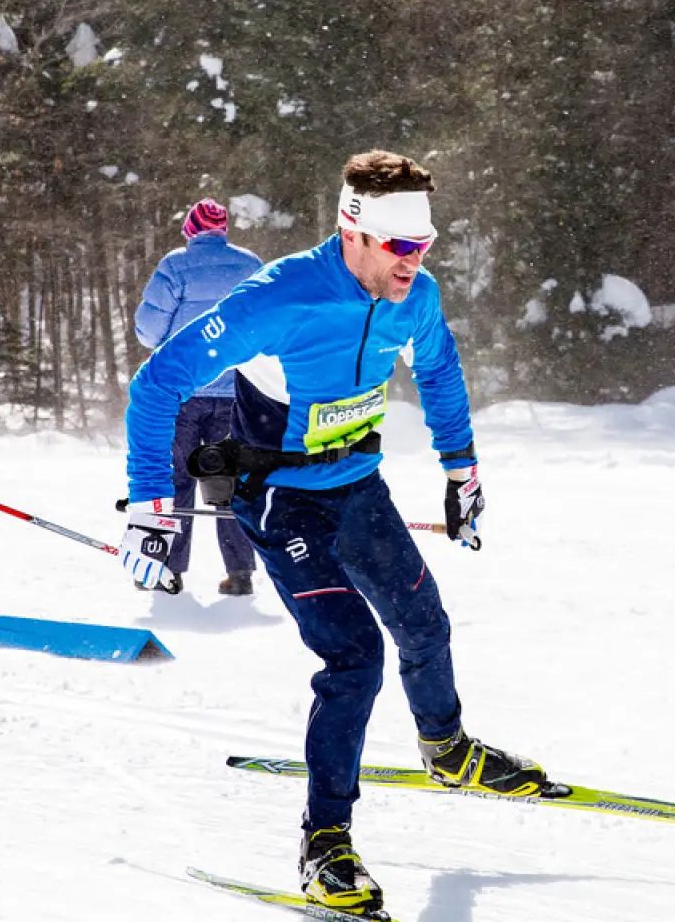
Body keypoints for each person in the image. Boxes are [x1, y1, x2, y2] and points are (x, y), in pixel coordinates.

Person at [118, 151, 552, 917]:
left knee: (425, 619)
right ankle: (326, 842)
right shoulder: (279, 297)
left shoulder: (412, 293)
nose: (414, 263)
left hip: (356, 485)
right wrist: (152, 506)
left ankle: (446, 750)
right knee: (355, 655)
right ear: (352, 229)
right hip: (281, 500)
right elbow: (157, 384)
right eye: (400, 247)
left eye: (425, 245)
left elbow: (441, 368)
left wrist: (462, 471)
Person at [132, 198, 264, 596]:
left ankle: (167, 568)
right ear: (224, 230)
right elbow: (264, 326)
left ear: (191, 230)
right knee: (230, 483)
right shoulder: (249, 266)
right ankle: (240, 572)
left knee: (175, 481)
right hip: (235, 395)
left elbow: (148, 331)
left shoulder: (175, 266)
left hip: (184, 391)